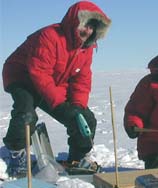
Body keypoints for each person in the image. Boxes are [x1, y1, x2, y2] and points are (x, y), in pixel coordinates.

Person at [2, 1, 111, 177]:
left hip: (52, 81)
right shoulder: (50, 36)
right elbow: (39, 73)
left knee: (83, 117)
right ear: (75, 22)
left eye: (92, 27)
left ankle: (76, 158)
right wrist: (59, 104)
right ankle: (17, 153)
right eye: (85, 25)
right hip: (22, 75)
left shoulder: (87, 48)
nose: (88, 31)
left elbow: (81, 79)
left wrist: (77, 105)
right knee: (26, 113)